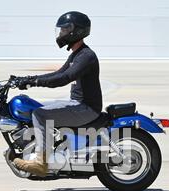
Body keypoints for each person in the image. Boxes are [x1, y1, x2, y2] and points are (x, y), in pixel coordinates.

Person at [13, 11, 103, 177]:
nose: (61, 33)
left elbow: (64, 78)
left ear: (76, 31)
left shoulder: (86, 56)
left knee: (39, 114)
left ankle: (41, 162)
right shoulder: (75, 55)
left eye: (64, 29)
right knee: (35, 105)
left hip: (86, 108)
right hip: (78, 105)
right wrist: (28, 79)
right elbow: (57, 73)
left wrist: (34, 82)